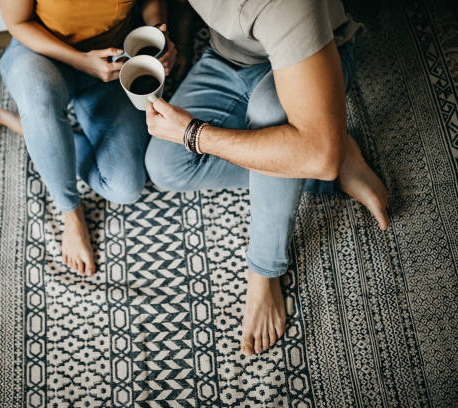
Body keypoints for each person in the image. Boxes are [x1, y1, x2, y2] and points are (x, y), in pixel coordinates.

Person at [144, 0, 390, 356]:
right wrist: (170, 38)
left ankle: (264, 271)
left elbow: (316, 154)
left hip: (316, 60)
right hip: (226, 59)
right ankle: (336, 158)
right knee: (166, 167)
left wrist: (194, 133)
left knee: (277, 118)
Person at [0, 0, 176, 277]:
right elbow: (17, 22)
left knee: (124, 188)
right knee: (39, 102)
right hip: (42, 53)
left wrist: (158, 34)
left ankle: (31, 129)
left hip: (114, 60)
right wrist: (79, 61)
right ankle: (71, 214)